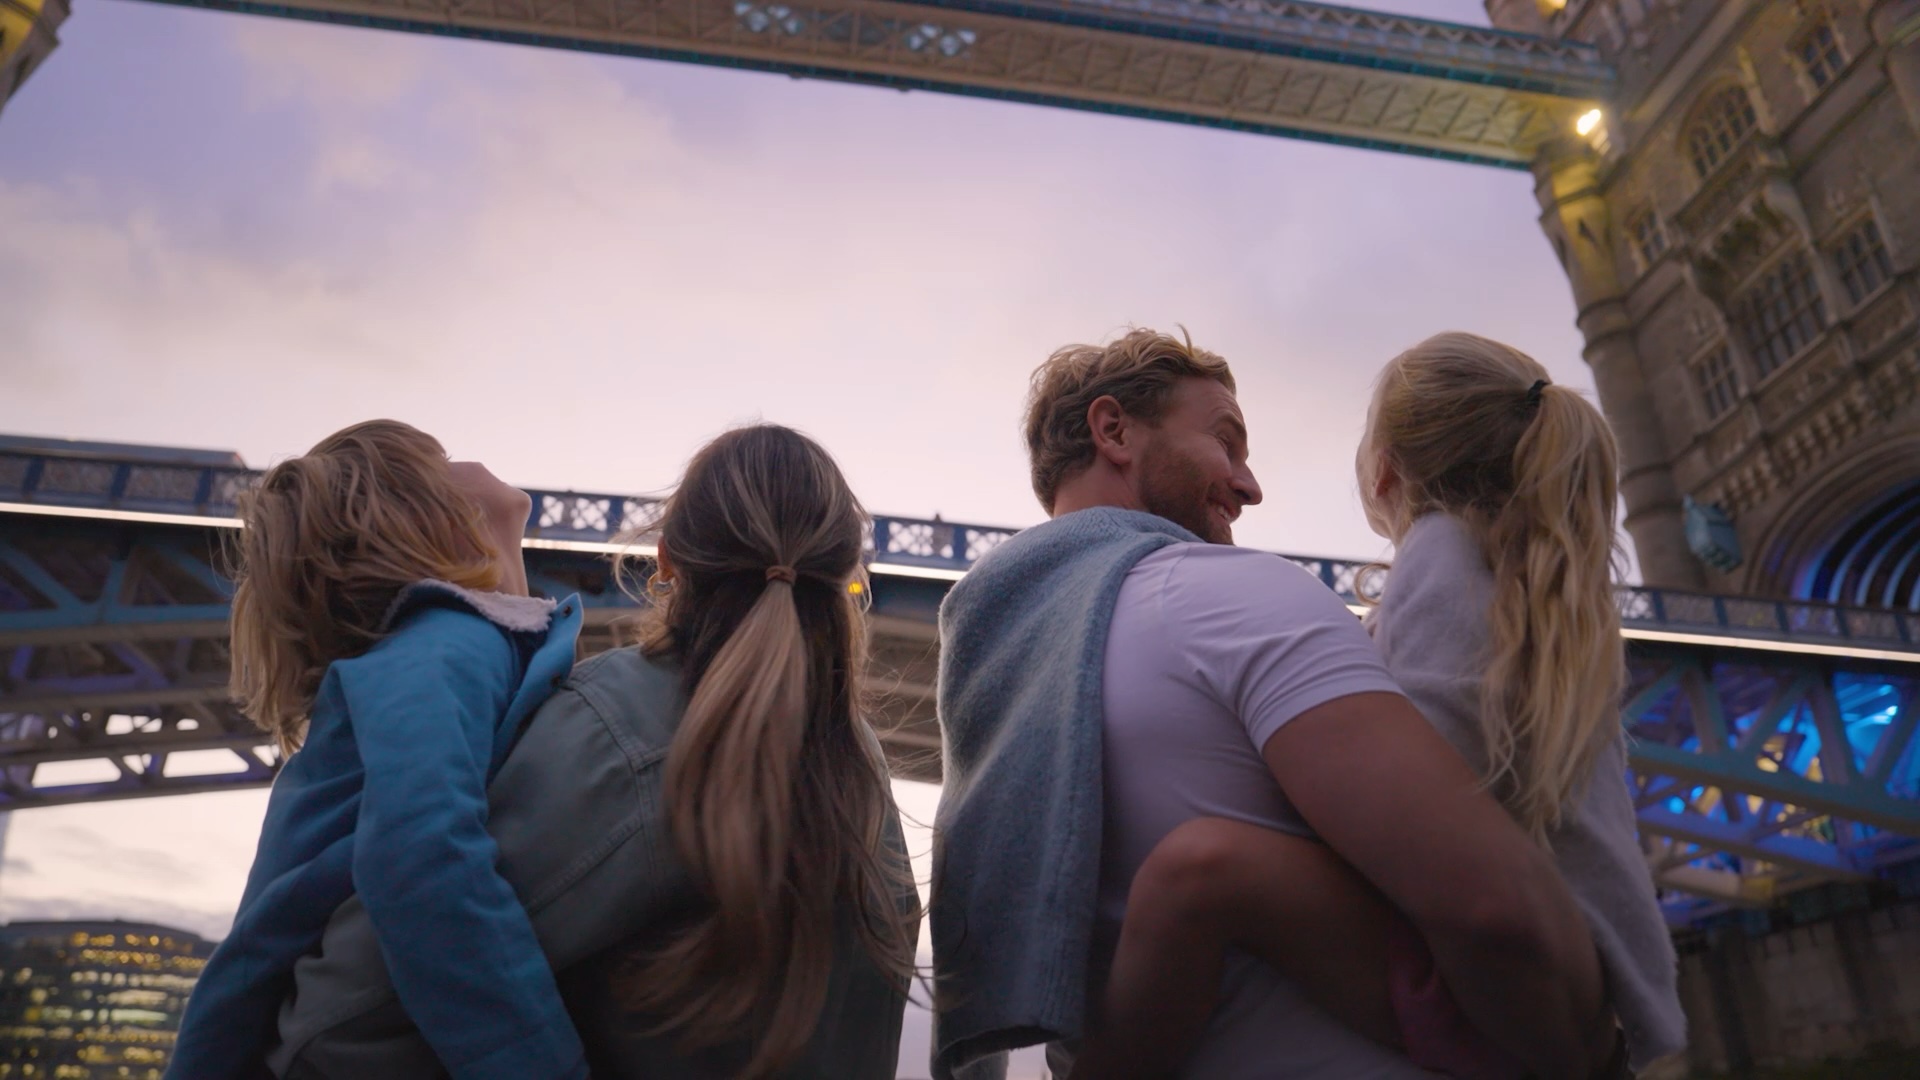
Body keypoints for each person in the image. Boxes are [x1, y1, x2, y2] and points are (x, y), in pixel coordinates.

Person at [929, 328, 1620, 1080]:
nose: (1250, 485)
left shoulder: (993, 705)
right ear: (1114, 430)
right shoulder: (1236, 598)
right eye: (1225, 443)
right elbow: (1495, 913)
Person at [264, 423, 919, 1080]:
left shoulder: (615, 730)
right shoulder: (862, 772)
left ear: (664, 562)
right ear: (846, 582)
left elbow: (339, 1025)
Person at [168, 420, 588, 1079]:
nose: (470, 456)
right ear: (421, 511)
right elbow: (422, 856)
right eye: (443, 458)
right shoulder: (443, 645)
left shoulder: (462, 644)